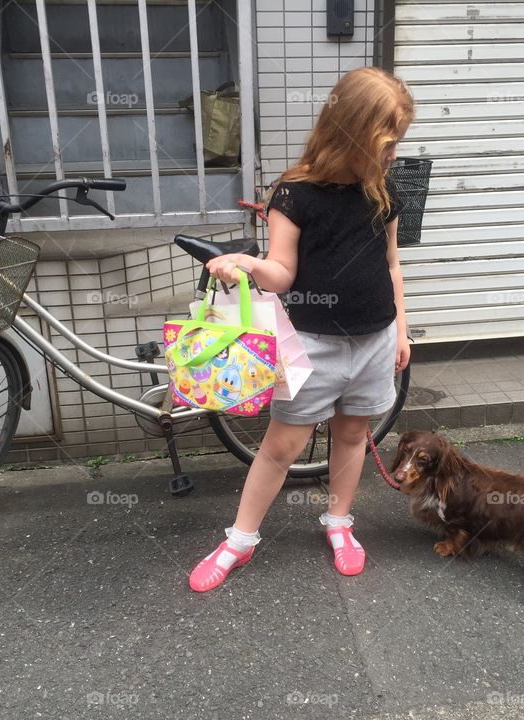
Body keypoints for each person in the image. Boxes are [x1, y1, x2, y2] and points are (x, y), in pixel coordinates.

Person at [189, 66, 414, 592]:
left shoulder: (384, 188)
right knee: (281, 447)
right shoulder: (295, 192)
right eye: (387, 142)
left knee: (352, 436)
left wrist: (402, 330)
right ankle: (239, 540)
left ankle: (339, 522)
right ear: (353, 132)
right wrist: (247, 264)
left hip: (376, 340)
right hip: (311, 346)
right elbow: (283, 272)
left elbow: (392, 265)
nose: (393, 153)